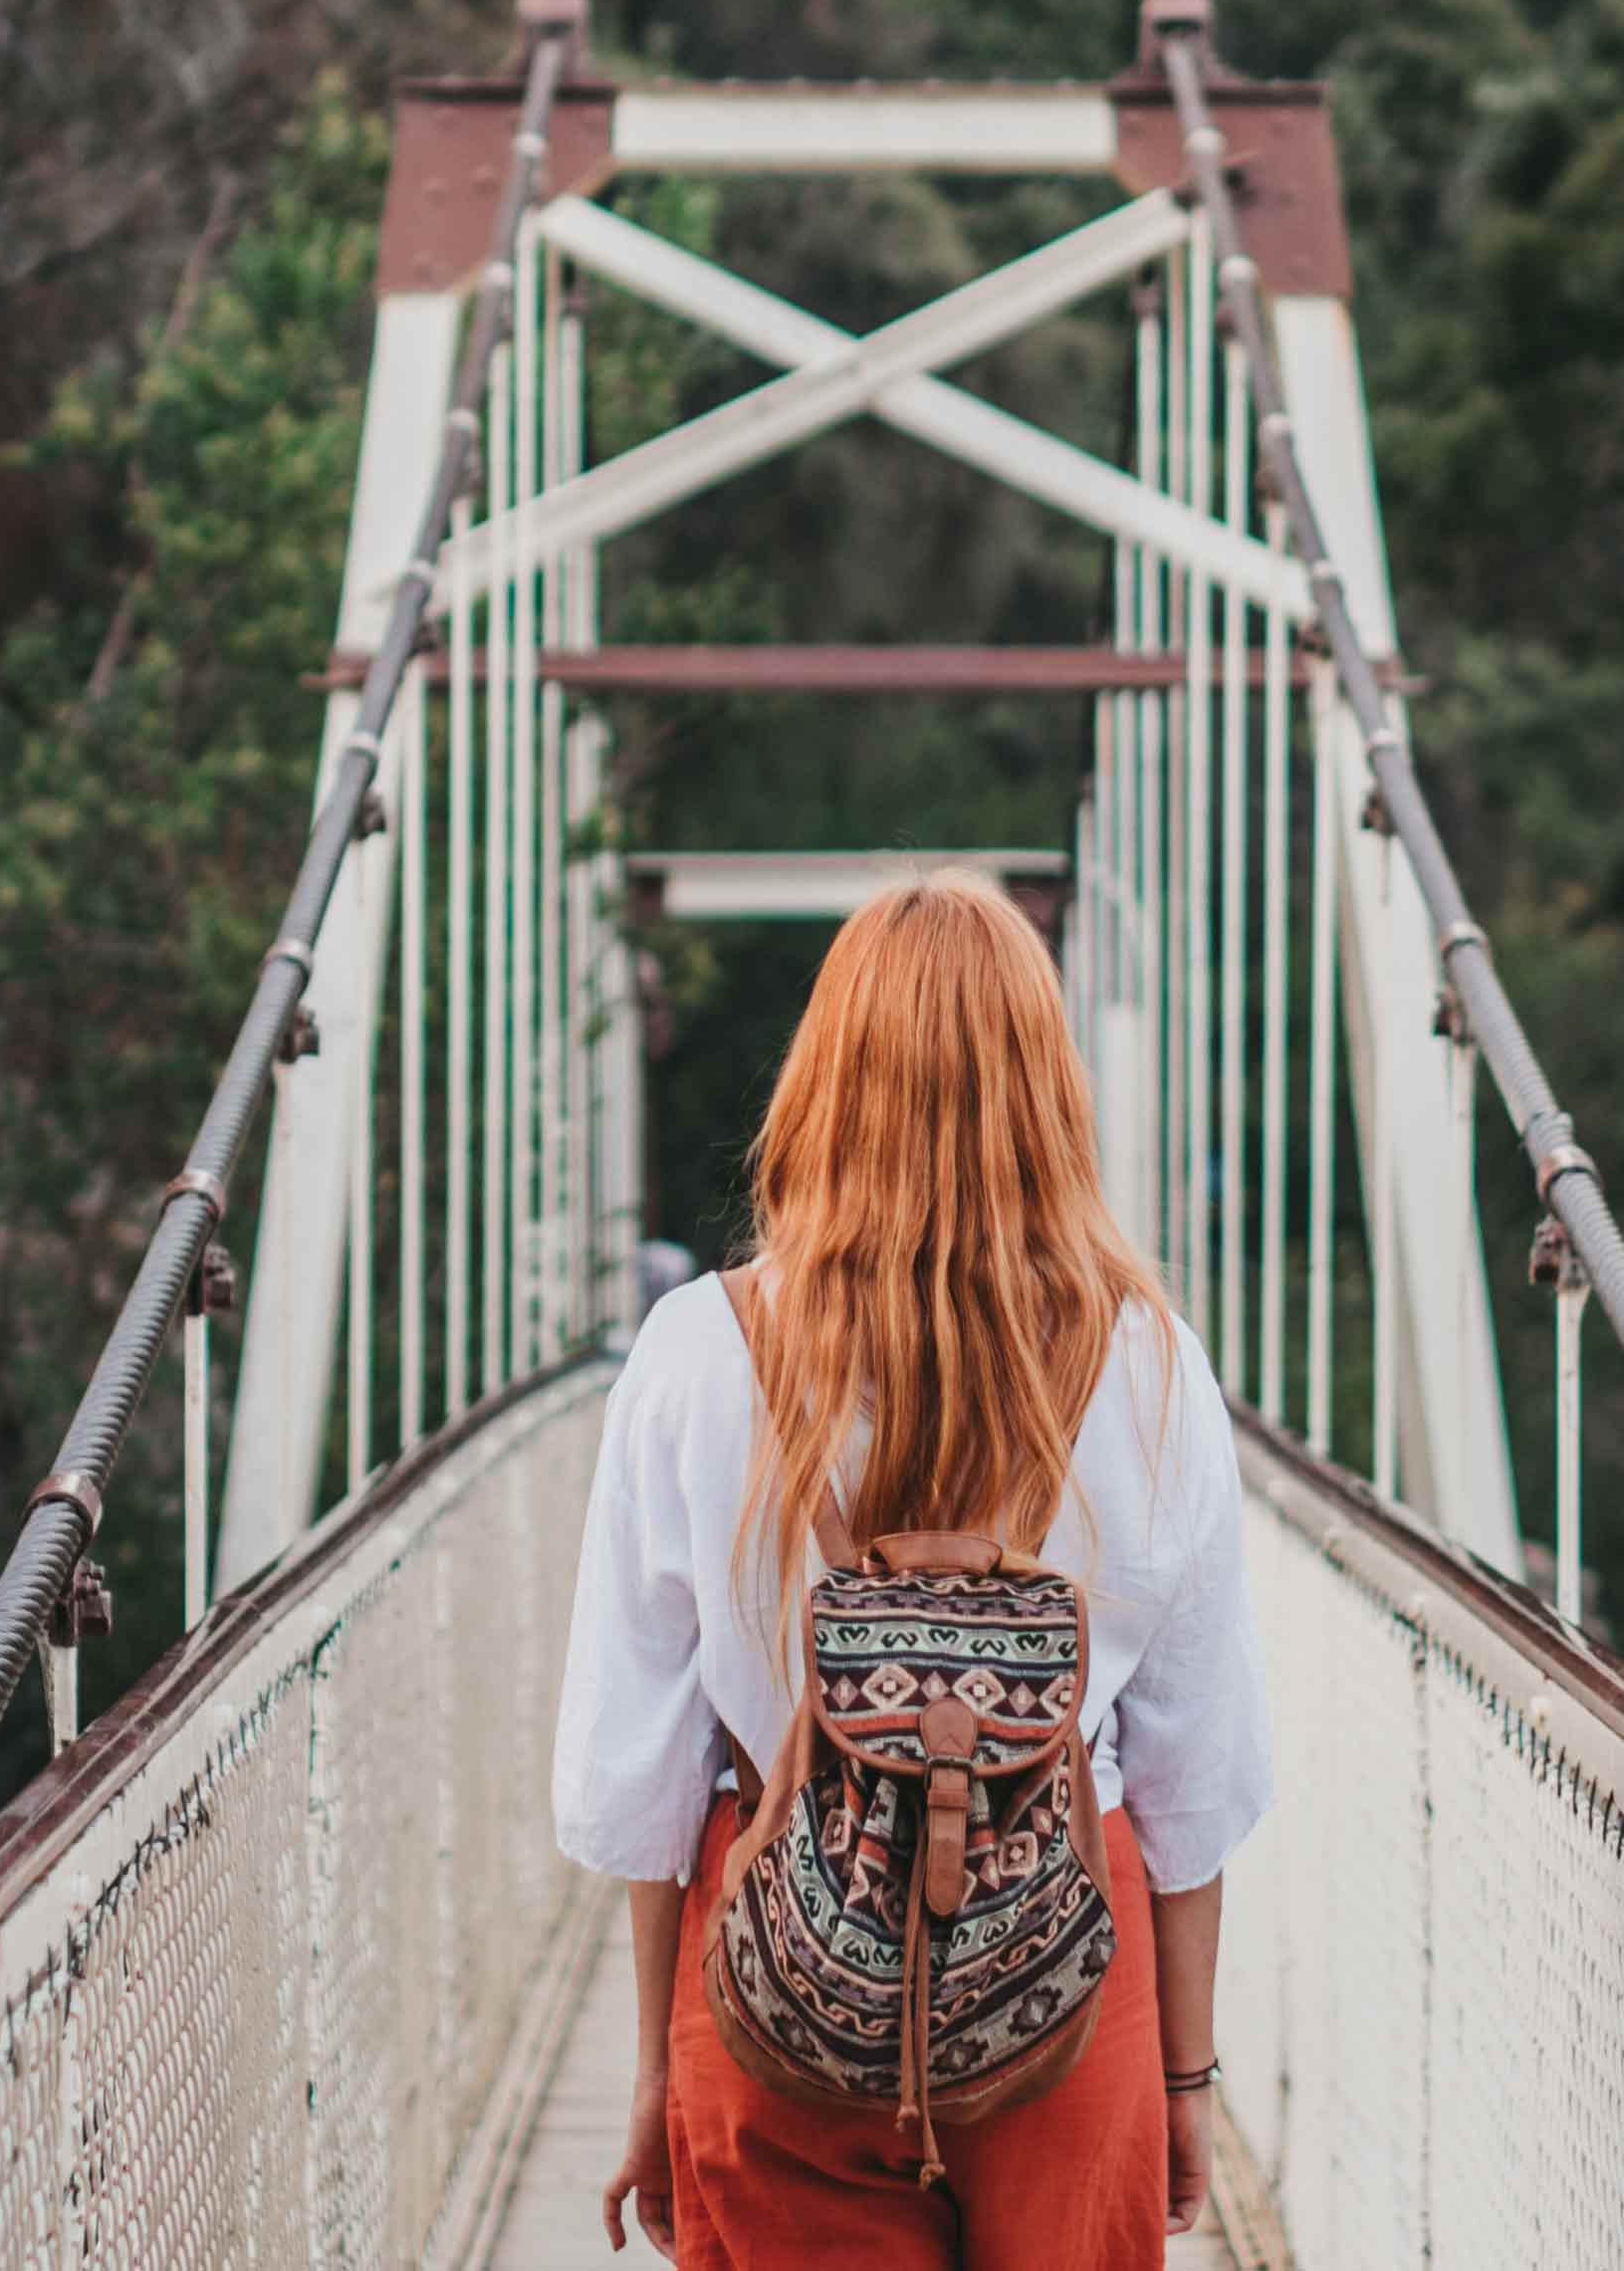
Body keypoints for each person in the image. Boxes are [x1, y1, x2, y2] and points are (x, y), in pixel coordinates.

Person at [551, 873, 1275, 2266]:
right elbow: (1196, 1781)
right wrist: (1182, 2079)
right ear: (1046, 1088)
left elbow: (643, 1779)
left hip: (777, 1974)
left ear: (823, 1080)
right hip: (1070, 1980)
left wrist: (659, 2066)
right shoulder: (1149, 1365)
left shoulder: (698, 1352)